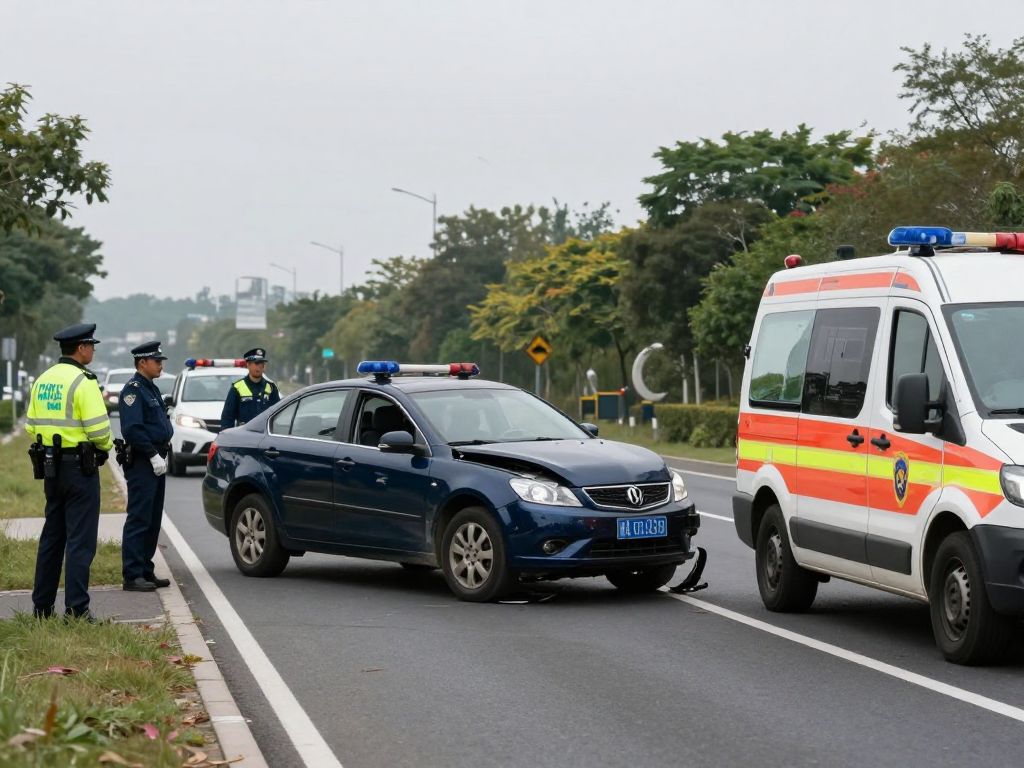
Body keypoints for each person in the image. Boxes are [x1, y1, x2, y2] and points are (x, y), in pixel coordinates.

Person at [24, 323, 113, 621]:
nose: (93, 350)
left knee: (52, 537)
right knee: (80, 541)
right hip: (80, 470)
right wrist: (106, 445)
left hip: (50, 468)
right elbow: (100, 432)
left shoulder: (43, 379)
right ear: (81, 348)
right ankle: (76, 610)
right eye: (91, 345)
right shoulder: (83, 381)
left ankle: (42, 608)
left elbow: (31, 426)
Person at [119, 341, 174, 591]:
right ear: (142, 362)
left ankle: (145, 569)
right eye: (156, 360)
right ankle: (132, 574)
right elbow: (132, 429)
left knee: (152, 519)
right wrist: (152, 454)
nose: (160, 364)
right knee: (139, 518)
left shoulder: (150, 388)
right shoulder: (133, 391)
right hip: (143, 461)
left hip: (156, 460)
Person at [220, 347, 280, 429]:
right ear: (248, 364)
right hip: (244, 434)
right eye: (256, 363)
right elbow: (228, 417)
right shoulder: (237, 387)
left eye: (262, 363)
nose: (259, 367)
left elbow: (278, 415)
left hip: (265, 434)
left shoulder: (271, 387)